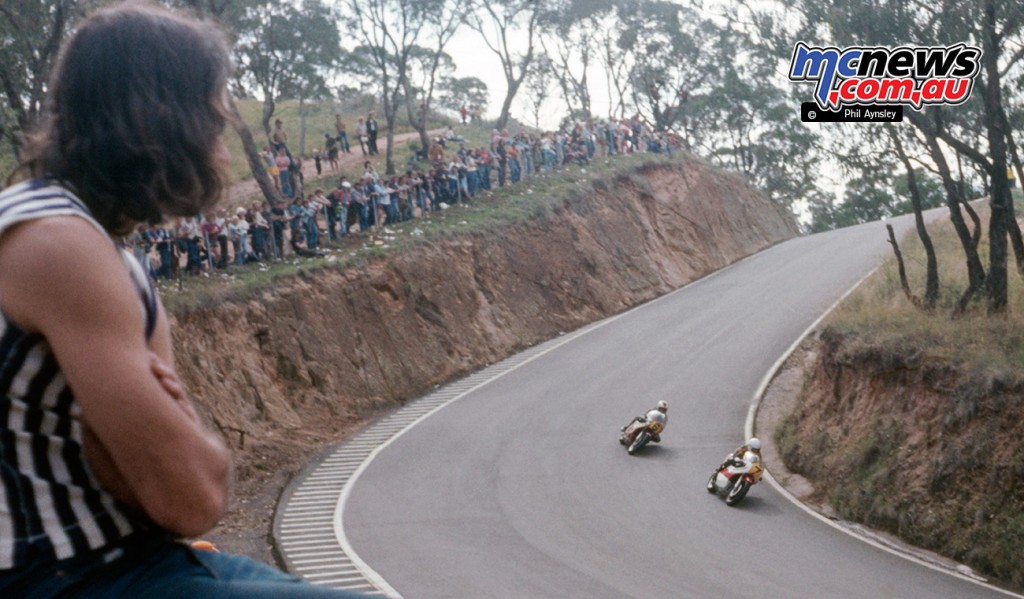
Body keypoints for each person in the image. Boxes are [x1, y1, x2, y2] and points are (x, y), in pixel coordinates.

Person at [0, 4, 364, 597]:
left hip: (122, 555)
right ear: (162, 124)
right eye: (215, 122)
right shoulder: (59, 244)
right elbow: (188, 499)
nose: (223, 152)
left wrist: (174, 444)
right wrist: (189, 436)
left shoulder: (86, 238)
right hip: (65, 574)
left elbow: (163, 495)